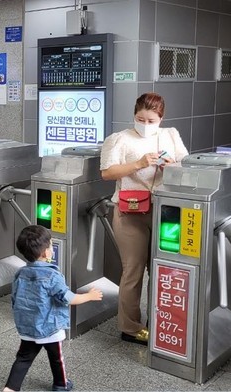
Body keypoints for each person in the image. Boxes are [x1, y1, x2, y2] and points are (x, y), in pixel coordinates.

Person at [100, 92, 189, 345]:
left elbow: (185, 164)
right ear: (134, 115)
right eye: (141, 119)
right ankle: (130, 327)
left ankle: (161, 322)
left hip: (166, 211)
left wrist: (171, 166)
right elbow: (107, 172)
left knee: (164, 270)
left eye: (152, 120)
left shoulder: (171, 135)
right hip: (131, 213)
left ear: (161, 118)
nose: (146, 125)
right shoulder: (119, 139)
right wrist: (138, 163)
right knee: (133, 270)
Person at [4, 225, 103, 392]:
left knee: (23, 358)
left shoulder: (20, 273)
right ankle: (61, 384)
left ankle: (10, 389)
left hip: (28, 326)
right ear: (45, 253)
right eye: (50, 245)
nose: (51, 248)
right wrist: (89, 296)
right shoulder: (52, 275)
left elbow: (15, 298)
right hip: (50, 328)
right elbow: (69, 298)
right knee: (57, 358)